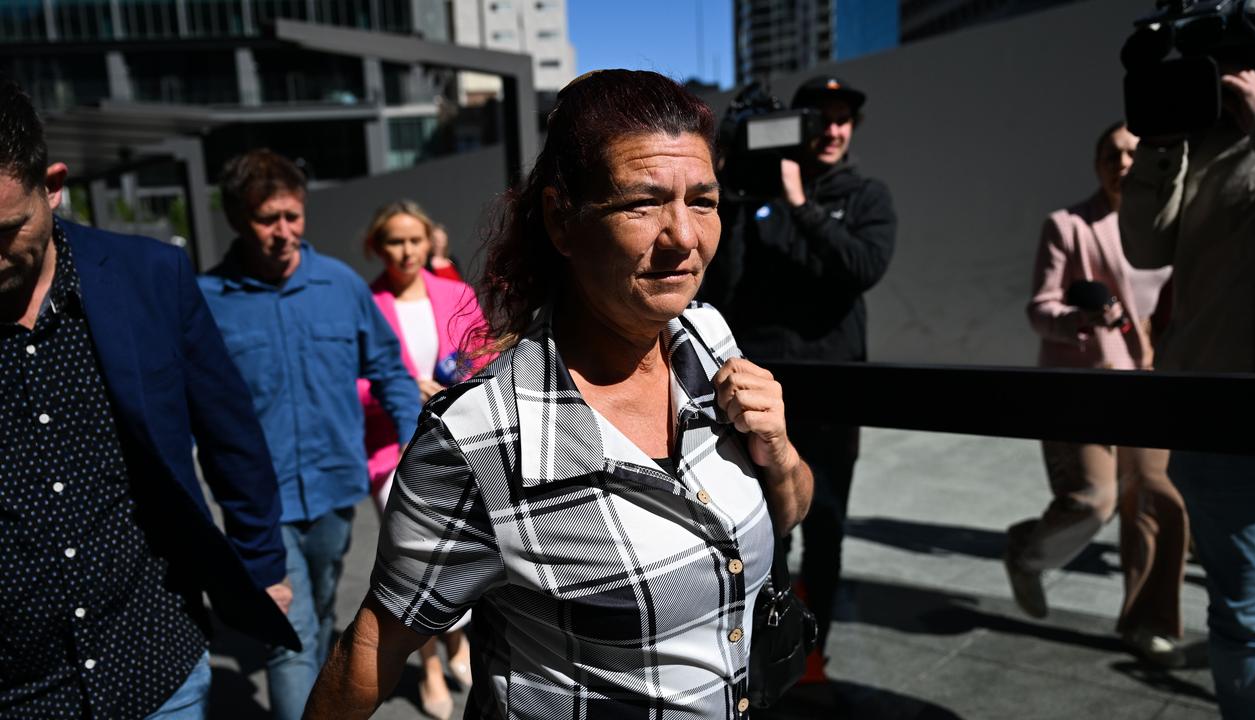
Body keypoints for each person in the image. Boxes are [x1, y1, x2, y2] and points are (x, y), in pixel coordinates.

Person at [302, 69, 814, 720]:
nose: (684, 236)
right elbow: (372, 647)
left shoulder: (709, 338)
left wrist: (778, 447)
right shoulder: (479, 438)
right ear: (561, 220)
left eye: (704, 201)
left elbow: (790, 509)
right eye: (642, 203)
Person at [0, 78, 296, 718]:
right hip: (19, 694)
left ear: (52, 186)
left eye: (6, 230)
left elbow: (229, 432)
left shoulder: (149, 277)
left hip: (156, 658)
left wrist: (263, 563)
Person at [198, 149, 422, 720]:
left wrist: (409, 452)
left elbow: (391, 371)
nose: (283, 232)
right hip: (256, 501)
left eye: (292, 217)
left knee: (321, 609)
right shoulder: (207, 301)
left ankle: (324, 697)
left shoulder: (339, 286)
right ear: (237, 220)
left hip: (334, 487)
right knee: (288, 632)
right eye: (266, 219)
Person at [701, 74, 896, 679]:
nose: (833, 130)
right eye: (822, 118)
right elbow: (723, 287)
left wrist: (801, 205)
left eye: (844, 119)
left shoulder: (865, 195)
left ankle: (813, 656)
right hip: (760, 390)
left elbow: (861, 268)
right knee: (762, 526)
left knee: (827, 525)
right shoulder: (754, 192)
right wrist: (734, 195)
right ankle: (760, 660)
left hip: (836, 388)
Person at [1120, 24, 1255, 716]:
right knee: (1251, 617)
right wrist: (1161, 142)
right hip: (1231, 422)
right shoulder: (1207, 148)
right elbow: (1145, 246)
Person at [1004, 121, 1187, 666]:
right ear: (1096, 164)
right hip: (1079, 385)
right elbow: (1041, 308)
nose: (1122, 162)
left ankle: (1148, 623)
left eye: (1132, 152)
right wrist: (1080, 319)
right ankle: (1028, 552)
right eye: (1110, 154)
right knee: (1094, 500)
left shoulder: (1167, 229)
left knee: (1157, 498)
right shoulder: (1068, 225)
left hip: (1148, 384)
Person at [358, 200, 488, 719]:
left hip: (456, 446)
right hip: (391, 452)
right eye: (394, 241)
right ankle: (431, 666)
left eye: (414, 239)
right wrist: (397, 388)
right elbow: (351, 378)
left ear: (429, 241)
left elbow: (483, 359)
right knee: (412, 566)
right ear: (377, 246)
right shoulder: (364, 302)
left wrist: (455, 384)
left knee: (460, 556)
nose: (406, 251)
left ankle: (456, 644)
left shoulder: (455, 293)